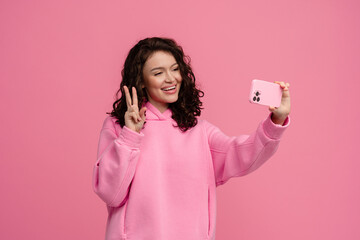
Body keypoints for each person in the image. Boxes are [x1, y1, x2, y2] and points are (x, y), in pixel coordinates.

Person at [92, 37, 291, 240]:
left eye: (175, 69)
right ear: (141, 81)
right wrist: (130, 135)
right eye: (158, 73)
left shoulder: (200, 132)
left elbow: (242, 153)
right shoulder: (118, 127)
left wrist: (276, 120)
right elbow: (110, 193)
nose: (171, 79)